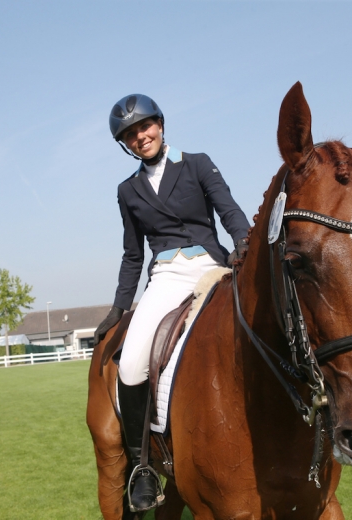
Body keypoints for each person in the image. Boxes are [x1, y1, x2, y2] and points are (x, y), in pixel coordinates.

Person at [93, 94, 250, 512]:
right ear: (125, 144)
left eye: (144, 127)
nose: (140, 137)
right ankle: (142, 467)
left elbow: (229, 210)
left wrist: (243, 241)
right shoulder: (128, 190)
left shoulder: (197, 163)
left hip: (210, 267)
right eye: (130, 135)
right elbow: (132, 255)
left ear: (160, 124)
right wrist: (119, 308)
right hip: (166, 275)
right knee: (130, 366)